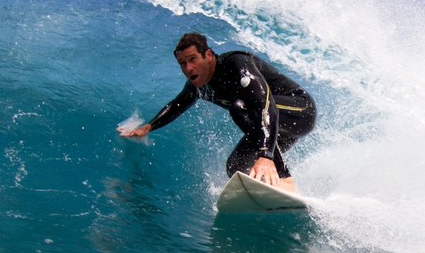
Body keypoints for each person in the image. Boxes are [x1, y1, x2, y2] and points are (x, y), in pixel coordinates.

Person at [118, 32, 316, 191]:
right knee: (236, 166)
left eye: (193, 59)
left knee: (241, 106)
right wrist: (148, 127)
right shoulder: (199, 86)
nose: (188, 68)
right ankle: (275, 190)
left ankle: (284, 177)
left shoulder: (237, 64)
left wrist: (266, 154)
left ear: (208, 55)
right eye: (182, 64)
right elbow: (177, 105)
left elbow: (264, 106)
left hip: (300, 111)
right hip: (274, 131)